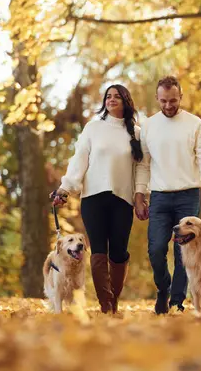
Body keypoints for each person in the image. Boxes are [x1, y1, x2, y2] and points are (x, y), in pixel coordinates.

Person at [51, 84, 143, 314]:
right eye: (108, 97)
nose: (111, 100)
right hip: (93, 198)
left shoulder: (137, 133)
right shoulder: (93, 128)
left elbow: (142, 169)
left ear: (126, 101)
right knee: (99, 250)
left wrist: (142, 195)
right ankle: (106, 305)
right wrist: (65, 189)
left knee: (119, 253)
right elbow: (79, 159)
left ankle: (113, 299)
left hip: (123, 198)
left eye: (117, 97)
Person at [134, 76, 201, 315]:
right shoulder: (148, 126)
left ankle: (177, 302)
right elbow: (143, 164)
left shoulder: (195, 124)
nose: (169, 105)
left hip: (188, 195)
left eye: (173, 100)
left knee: (187, 253)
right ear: (157, 99)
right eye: (163, 101)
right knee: (156, 249)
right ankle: (164, 289)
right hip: (159, 196)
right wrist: (140, 194)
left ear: (181, 97)